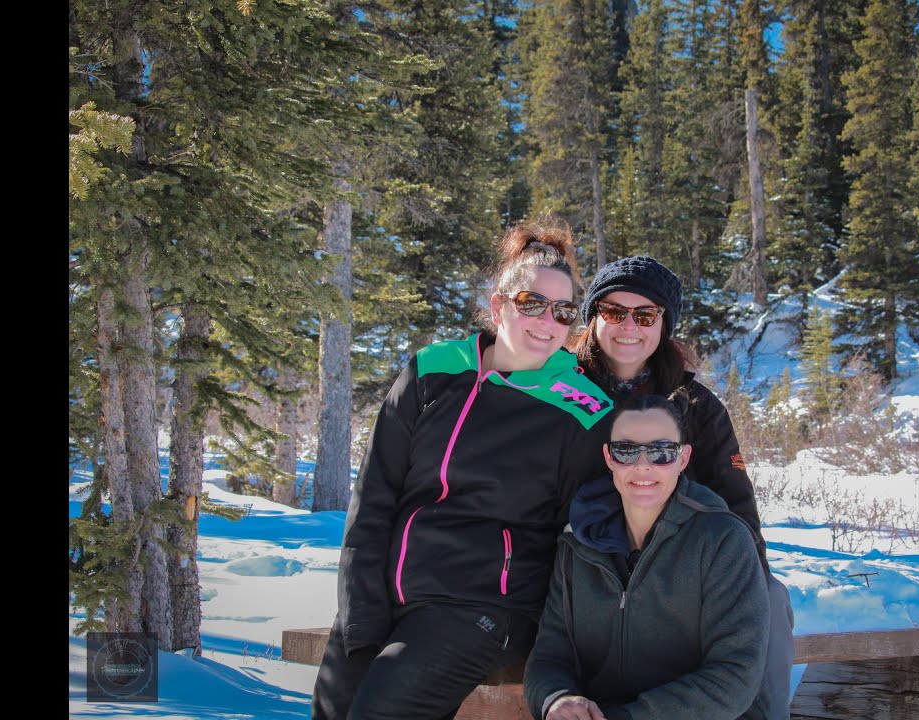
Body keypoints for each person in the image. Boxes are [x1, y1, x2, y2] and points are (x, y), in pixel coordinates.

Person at [311, 220, 615, 720]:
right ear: (499, 306)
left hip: (485, 609)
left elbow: (576, 535)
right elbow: (374, 500)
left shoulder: (583, 409)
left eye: (563, 312)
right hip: (390, 594)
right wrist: (361, 620)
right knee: (335, 707)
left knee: (381, 710)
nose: (548, 321)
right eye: (532, 303)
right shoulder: (433, 371)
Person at [569, 256, 796, 719]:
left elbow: (738, 509)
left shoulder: (698, 407)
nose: (628, 325)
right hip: (583, 567)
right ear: (593, 319)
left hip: (684, 571)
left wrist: (736, 576)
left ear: (663, 326)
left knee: (769, 597)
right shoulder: (560, 394)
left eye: (645, 315)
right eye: (613, 312)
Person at [524, 395, 771, 720]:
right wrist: (557, 699)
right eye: (626, 450)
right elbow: (550, 653)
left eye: (661, 452)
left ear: (683, 459)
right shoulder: (577, 543)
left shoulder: (723, 541)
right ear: (609, 458)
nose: (643, 465)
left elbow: (735, 675)